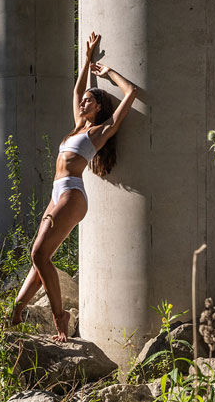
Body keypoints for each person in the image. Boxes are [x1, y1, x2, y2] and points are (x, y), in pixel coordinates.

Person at [10, 31, 137, 340]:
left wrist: (108, 73)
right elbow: (78, 87)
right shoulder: (77, 126)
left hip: (72, 194)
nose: (82, 101)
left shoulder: (98, 132)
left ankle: (59, 316)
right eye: (83, 101)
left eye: (89, 101)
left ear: (98, 108)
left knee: (39, 255)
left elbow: (131, 92)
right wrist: (87, 58)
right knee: (39, 256)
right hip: (58, 193)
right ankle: (17, 308)